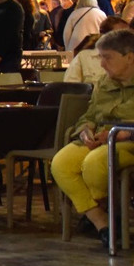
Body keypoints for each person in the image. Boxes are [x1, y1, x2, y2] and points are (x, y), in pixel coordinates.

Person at [51, 28, 134, 250]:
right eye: (101, 58)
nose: (102, 64)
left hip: (127, 142)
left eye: (107, 58)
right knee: (61, 163)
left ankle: (103, 211)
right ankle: (101, 221)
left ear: (129, 57)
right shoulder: (104, 83)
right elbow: (89, 115)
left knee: (95, 163)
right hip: (100, 137)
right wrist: (85, 130)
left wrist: (125, 133)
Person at [65, 15, 130, 87]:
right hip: (92, 97)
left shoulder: (129, 59)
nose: (126, 39)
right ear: (105, 36)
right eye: (120, 36)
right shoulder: (83, 58)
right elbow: (70, 87)